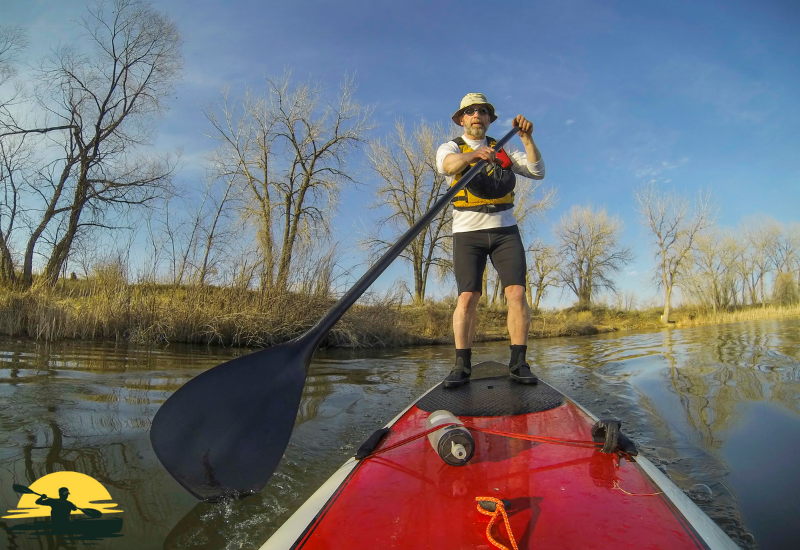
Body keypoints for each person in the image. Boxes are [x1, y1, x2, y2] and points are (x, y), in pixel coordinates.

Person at [436, 93, 545, 388]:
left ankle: (519, 363)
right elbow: (447, 166)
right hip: (467, 232)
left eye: (483, 111)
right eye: (471, 112)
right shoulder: (450, 147)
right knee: (468, 297)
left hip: (504, 230)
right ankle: (462, 365)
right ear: (461, 119)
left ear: (489, 119)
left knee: (517, 294)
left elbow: (537, 171)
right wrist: (474, 155)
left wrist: (526, 139)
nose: (477, 115)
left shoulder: (503, 148)